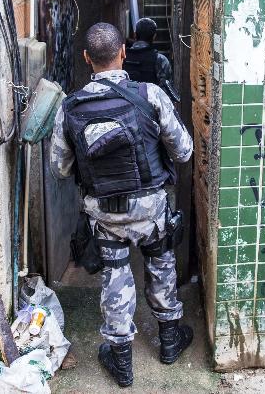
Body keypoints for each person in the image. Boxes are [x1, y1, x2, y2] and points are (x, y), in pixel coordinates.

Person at [50, 22, 194, 387]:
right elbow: (184, 150)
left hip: (105, 212)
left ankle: (121, 362)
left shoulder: (70, 108)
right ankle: (169, 343)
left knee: (116, 276)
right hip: (151, 209)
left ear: (86, 59)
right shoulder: (150, 94)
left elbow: (61, 168)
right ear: (123, 53)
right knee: (161, 262)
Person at [124, 18, 176, 101]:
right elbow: (165, 92)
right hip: (150, 108)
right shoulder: (160, 60)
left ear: (135, 34)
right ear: (154, 36)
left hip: (125, 107)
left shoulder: (122, 57)